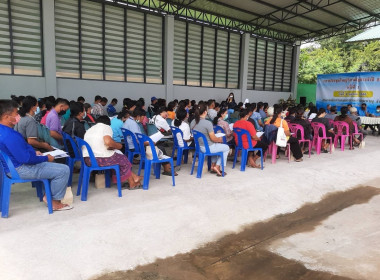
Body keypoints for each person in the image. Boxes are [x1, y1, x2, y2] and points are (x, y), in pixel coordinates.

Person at [0, 99, 72, 211]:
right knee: (63, 170)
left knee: (52, 165)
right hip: (20, 168)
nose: (18, 115)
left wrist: (34, 153)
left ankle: (48, 195)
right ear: (6, 117)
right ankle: (53, 201)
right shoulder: (10, 135)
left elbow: (18, 152)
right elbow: (26, 159)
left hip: (11, 167)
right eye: (16, 113)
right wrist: (46, 158)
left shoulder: (3, 131)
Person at [83, 116, 142, 189]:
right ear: (108, 123)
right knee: (122, 158)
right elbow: (108, 142)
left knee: (118, 158)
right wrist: (119, 146)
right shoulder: (106, 127)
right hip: (100, 160)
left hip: (88, 160)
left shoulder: (89, 130)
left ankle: (134, 178)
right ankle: (132, 182)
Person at [191, 104, 229, 176]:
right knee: (226, 148)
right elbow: (213, 138)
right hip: (208, 148)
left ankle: (212, 166)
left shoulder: (193, 122)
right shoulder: (207, 123)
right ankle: (217, 167)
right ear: (205, 112)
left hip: (198, 147)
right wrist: (220, 139)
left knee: (215, 146)